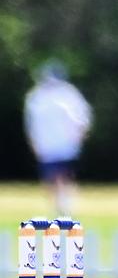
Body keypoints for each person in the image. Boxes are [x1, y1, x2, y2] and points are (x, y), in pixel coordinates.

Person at [23, 62, 92, 216]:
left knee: (65, 177)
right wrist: (34, 142)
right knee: (50, 180)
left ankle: (66, 207)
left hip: (66, 147)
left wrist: (79, 135)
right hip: (46, 147)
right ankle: (57, 208)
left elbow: (82, 117)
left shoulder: (69, 94)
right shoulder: (36, 97)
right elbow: (31, 123)